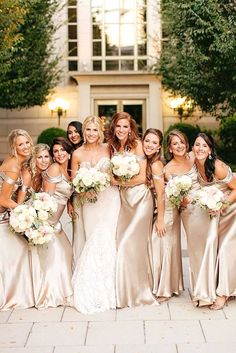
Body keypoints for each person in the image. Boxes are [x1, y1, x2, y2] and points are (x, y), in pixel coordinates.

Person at [71, 115, 120, 314]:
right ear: (84, 132)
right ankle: (92, 284)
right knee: (93, 239)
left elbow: (117, 174)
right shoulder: (77, 153)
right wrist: (84, 190)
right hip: (89, 201)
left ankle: (114, 286)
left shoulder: (109, 148)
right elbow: (74, 181)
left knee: (109, 237)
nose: (91, 133)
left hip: (110, 199)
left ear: (99, 131)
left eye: (94, 130)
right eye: (88, 130)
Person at [107, 112, 155, 308]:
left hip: (140, 199)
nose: (121, 130)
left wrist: (119, 181)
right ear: (114, 127)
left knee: (129, 244)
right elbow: (110, 175)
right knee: (124, 244)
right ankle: (127, 290)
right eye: (118, 126)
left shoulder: (137, 145)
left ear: (131, 128)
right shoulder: (113, 147)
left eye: (125, 126)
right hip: (124, 202)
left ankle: (138, 293)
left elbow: (143, 178)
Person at [165, 129, 217, 307]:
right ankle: (201, 293)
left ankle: (214, 288)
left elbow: (210, 172)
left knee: (210, 245)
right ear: (170, 148)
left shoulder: (194, 156)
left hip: (207, 206)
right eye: (175, 143)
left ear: (186, 144)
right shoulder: (168, 169)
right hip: (190, 213)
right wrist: (181, 200)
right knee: (196, 251)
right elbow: (171, 197)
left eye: (182, 142)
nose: (179, 146)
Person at [28, 137, 74, 308]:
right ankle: (51, 294)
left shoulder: (67, 170)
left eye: (63, 150)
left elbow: (65, 192)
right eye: (56, 151)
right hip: (48, 222)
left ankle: (63, 290)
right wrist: (43, 226)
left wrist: (69, 203)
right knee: (59, 255)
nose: (59, 154)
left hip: (56, 223)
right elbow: (46, 199)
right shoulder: (54, 169)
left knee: (67, 252)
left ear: (69, 153)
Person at [193, 132, 236, 310]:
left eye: (204, 145)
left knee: (226, 248)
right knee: (213, 246)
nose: (200, 148)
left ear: (210, 150)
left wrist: (222, 205)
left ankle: (224, 293)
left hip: (231, 209)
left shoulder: (218, 166)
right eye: (197, 144)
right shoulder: (194, 164)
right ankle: (211, 287)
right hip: (214, 212)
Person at [143, 128, 183, 302]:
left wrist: (160, 219)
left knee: (161, 243)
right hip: (159, 208)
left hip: (165, 210)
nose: (150, 145)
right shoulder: (149, 161)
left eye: (154, 142)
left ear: (159, 147)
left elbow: (161, 194)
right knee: (162, 245)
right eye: (147, 141)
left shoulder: (156, 165)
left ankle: (164, 290)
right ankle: (167, 284)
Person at [0, 129, 34, 310]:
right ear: (14, 147)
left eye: (27, 142)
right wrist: (24, 211)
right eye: (21, 144)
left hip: (4, 214)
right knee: (16, 251)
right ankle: (10, 295)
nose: (26, 146)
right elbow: (3, 199)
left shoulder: (22, 165)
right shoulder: (13, 166)